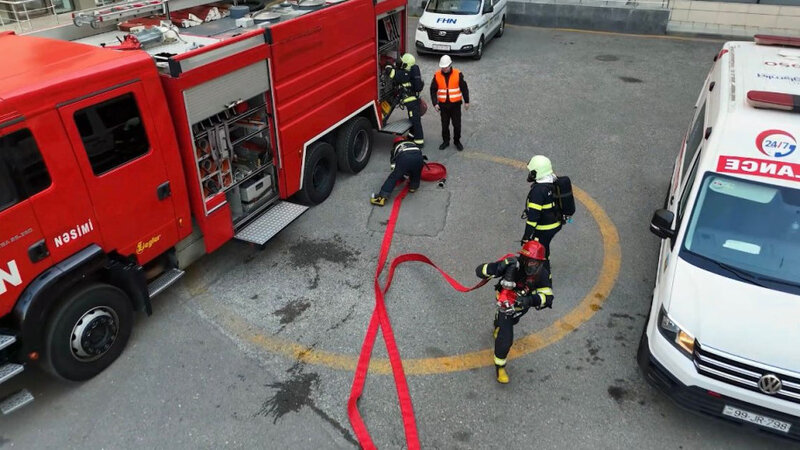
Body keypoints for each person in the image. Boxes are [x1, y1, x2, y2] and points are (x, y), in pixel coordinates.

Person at [475, 240, 554, 384]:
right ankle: (500, 367)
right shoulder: (512, 266)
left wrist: (529, 301)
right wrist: (499, 266)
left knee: (511, 321)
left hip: (520, 308)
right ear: (523, 259)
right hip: (505, 307)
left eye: (536, 263)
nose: (532, 265)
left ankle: (498, 323)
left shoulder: (542, 273)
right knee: (505, 340)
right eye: (529, 261)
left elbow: (548, 297)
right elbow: (479, 271)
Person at [521, 155, 562, 268]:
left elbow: (533, 219)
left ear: (536, 173)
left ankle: (545, 278)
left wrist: (526, 237)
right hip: (556, 222)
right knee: (544, 247)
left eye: (531, 172)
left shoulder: (538, 192)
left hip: (545, 228)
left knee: (540, 253)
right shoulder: (552, 181)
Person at [430, 54, 470, 151]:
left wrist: (467, 101)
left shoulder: (457, 74)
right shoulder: (437, 75)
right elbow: (433, 90)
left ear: (450, 65)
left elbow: (464, 88)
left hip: (455, 105)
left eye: (446, 67)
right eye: (442, 67)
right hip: (443, 106)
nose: (444, 69)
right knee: (444, 125)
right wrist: (435, 103)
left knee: (457, 125)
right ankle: (446, 141)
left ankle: (457, 141)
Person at [370, 136, 424, 206]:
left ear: (395, 143)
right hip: (419, 158)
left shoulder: (395, 148)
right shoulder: (412, 144)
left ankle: (381, 198)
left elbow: (393, 166)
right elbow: (417, 155)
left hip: (405, 158)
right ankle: (413, 187)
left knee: (393, 177)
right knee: (416, 172)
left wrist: (399, 173)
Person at [385, 53, 425, 147]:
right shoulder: (410, 71)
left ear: (406, 64)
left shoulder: (404, 74)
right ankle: (412, 136)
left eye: (402, 62)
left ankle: (419, 142)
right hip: (413, 101)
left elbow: (391, 73)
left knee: (415, 120)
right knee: (413, 119)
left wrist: (388, 65)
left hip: (411, 102)